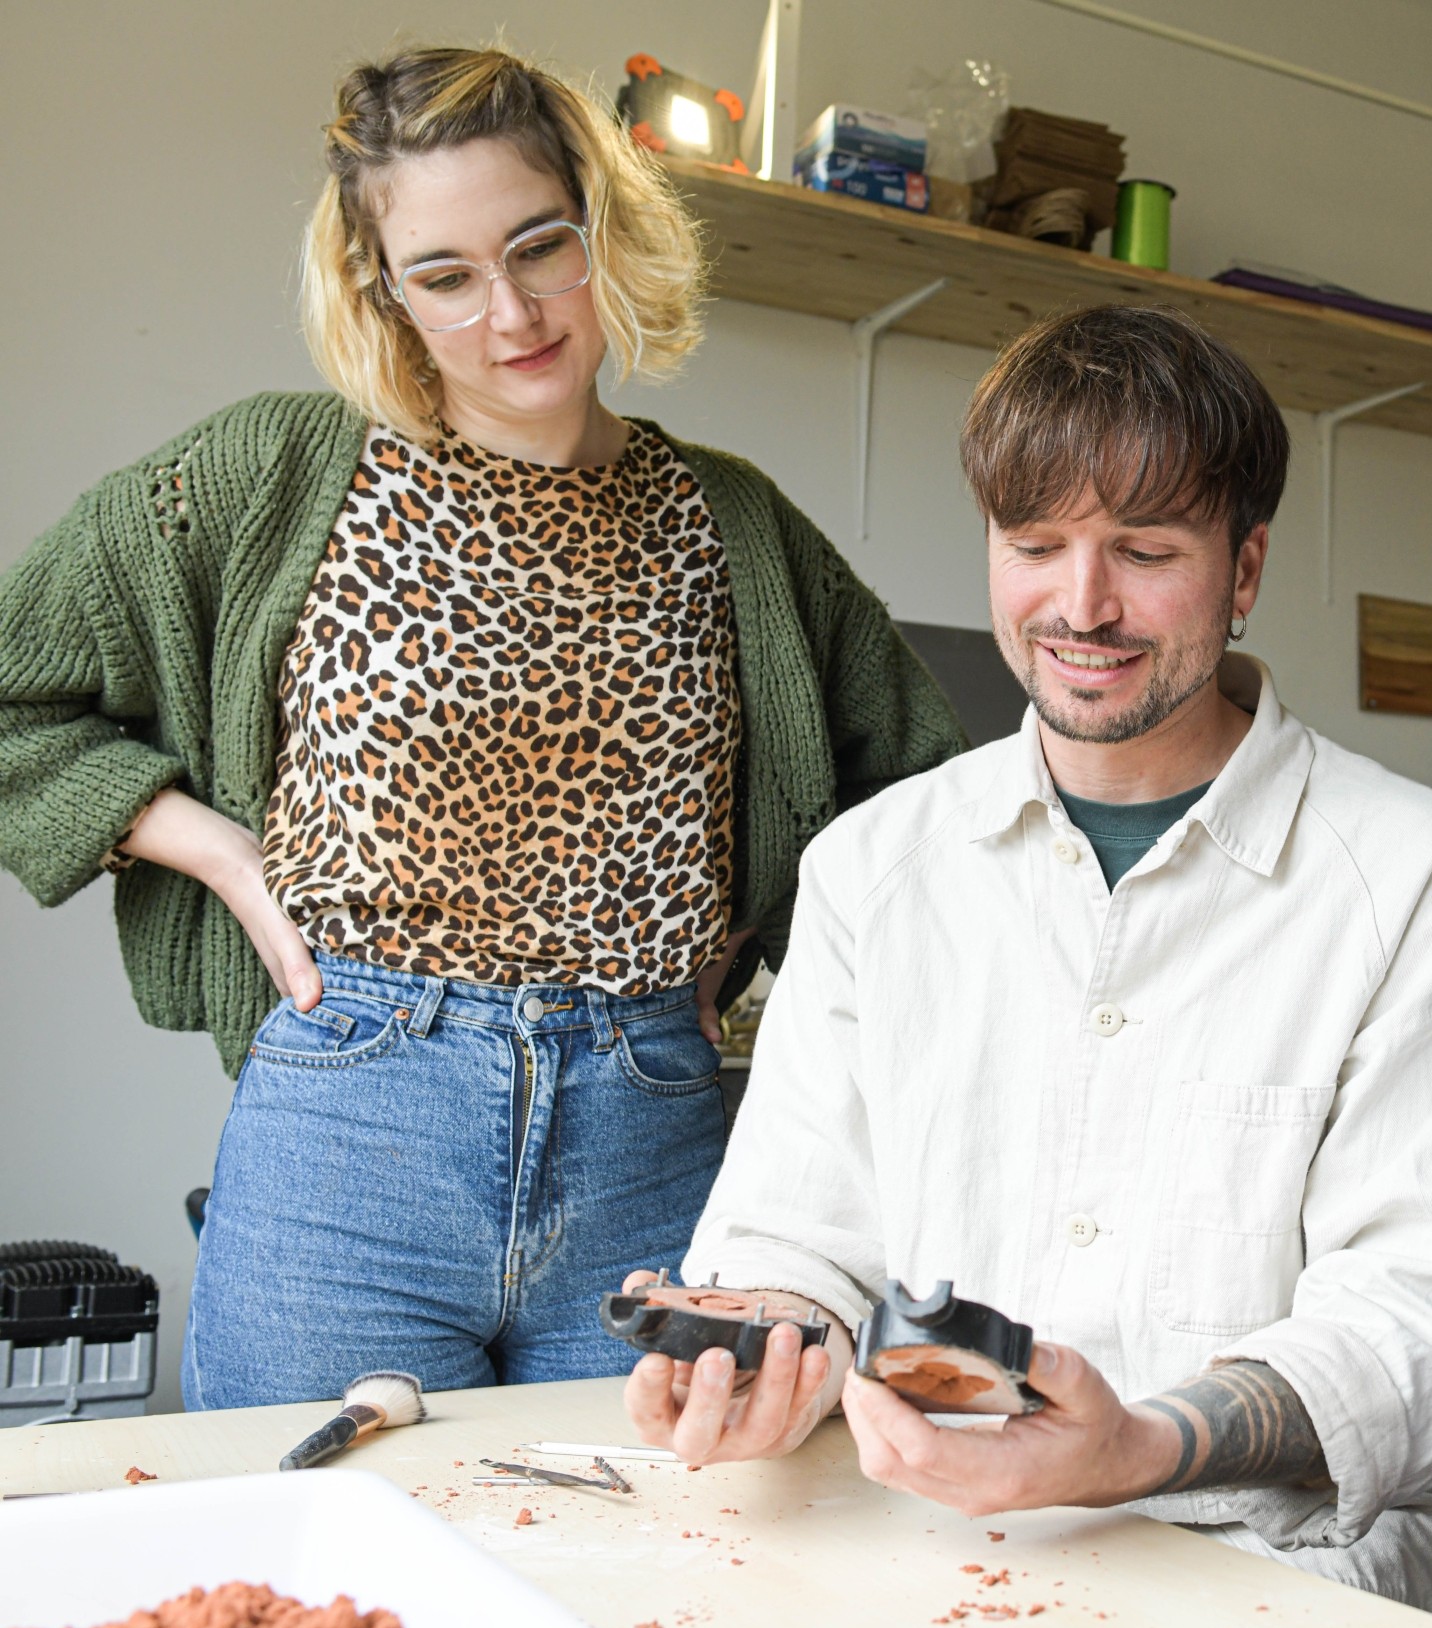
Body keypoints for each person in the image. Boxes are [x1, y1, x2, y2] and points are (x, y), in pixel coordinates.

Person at [0, 46, 962, 1410]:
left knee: (635, 1584)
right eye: (444, 275)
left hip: (658, 1134)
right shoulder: (273, 473)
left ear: (600, 228)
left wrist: (761, 953)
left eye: (538, 248)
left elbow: (919, 812)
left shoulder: (733, 524)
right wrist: (220, 852)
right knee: (319, 1580)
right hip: (356, 1131)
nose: (510, 313)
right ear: (380, 289)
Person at [619, 305, 1432, 1615]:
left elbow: (1423, 1315)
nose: (1082, 604)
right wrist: (758, 1339)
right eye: (1035, 545)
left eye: (1145, 551)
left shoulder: (1415, 880)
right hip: (931, 1561)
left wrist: (1141, 1448)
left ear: (1246, 567)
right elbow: (802, 1224)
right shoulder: (876, 869)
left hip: (1281, 1586)